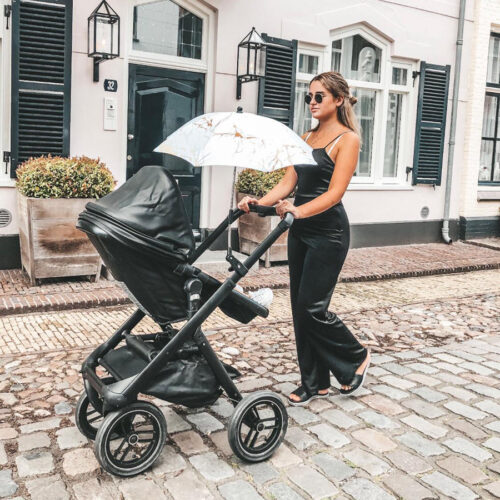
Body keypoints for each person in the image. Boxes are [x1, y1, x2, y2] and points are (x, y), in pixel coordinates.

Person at [238, 71, 370, 405]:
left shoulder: (348, 140)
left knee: (313, 308)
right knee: (300, 309)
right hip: (300, 230)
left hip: (329, 233)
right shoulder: (305, 137)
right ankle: (314, 382)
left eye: (319, 96)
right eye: (308, 96)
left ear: (338, 100)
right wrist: (258, 202)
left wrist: (297, 210)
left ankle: (355, 356)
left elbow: (335, 194)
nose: (312, 101)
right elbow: (287, 184)